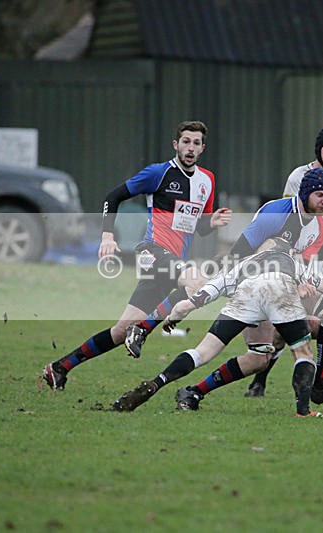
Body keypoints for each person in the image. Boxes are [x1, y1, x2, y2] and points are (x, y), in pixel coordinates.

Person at [110, 174, 323, 417]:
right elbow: (242, 252)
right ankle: (143, 327)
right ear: (305, 193)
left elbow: (303, 267)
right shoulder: (276, 213)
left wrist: (188, 307)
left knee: (249, 356)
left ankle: (178, 388)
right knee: (304, 345)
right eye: (320, 195)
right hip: (256, 279)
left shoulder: (319, 228)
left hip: (255, 286)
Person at [39, 120, 232, 390]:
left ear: (203, 148)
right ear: (176, 145)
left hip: (173, 262)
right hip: (153, 251)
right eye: (185, 141)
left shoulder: (206, 181)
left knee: (120, 331)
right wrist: (107, 236)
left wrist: (211, 223)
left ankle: (60, 367)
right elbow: (112, 197)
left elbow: (197, 228)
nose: (190, 148)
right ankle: (143, 328)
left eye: (196, 143)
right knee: (197, 283)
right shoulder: (158, 173)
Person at [243, 125, 323, 404]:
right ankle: (264, 374)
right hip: (298, 258)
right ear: (318, 149)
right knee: (296, 320)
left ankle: (318, 382)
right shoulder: (299, 176)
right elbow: (289, 219)